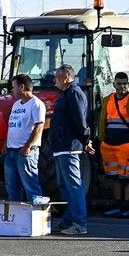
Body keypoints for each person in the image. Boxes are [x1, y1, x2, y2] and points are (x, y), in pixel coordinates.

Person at [47, 64, 93, 235]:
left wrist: (86, 140)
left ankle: (80, 223)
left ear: (66, 77)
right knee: (64, 186)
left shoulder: (74, 93)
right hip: (61, 147)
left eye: (57, 77)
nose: (54, 80)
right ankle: (68, 220)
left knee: (74, 186)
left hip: (69, 147)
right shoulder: (67, 94)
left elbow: (80, 121)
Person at [99, 72, 129, 219]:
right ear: (114, 84)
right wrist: (102, 139)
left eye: (124, 84)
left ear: (128, 84)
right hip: (109, 145)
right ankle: (117, 205)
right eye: (119, 83)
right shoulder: (107, 100)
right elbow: (103, 120)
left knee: (128, 177)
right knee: (114, 177)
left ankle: (126, 206)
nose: (122, 86)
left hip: (126, 145)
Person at [3, 73, 47, 205]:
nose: (12, 90)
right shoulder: (16, 104)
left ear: (22, 87)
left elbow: (39, 127)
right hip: (11, 150)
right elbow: (12, 124)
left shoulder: (36, 104)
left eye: (14, 87)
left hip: (26, 151)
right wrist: (6, 143)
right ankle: (15, 215)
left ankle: (36, 213)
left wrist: (28, 146)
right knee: (11, 184)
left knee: (30, 183)